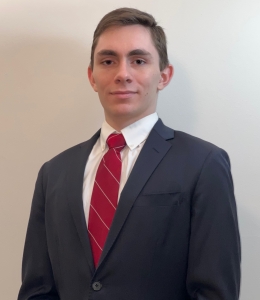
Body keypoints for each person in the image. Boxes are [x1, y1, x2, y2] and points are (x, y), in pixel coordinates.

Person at [18, 7, 241, 300]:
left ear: (163, 75)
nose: (122, 74)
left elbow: (215, 292)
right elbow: (37, 289)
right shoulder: (54, 173)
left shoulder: (203, 164)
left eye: (138, 60)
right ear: (92, 77)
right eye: (108, 61)